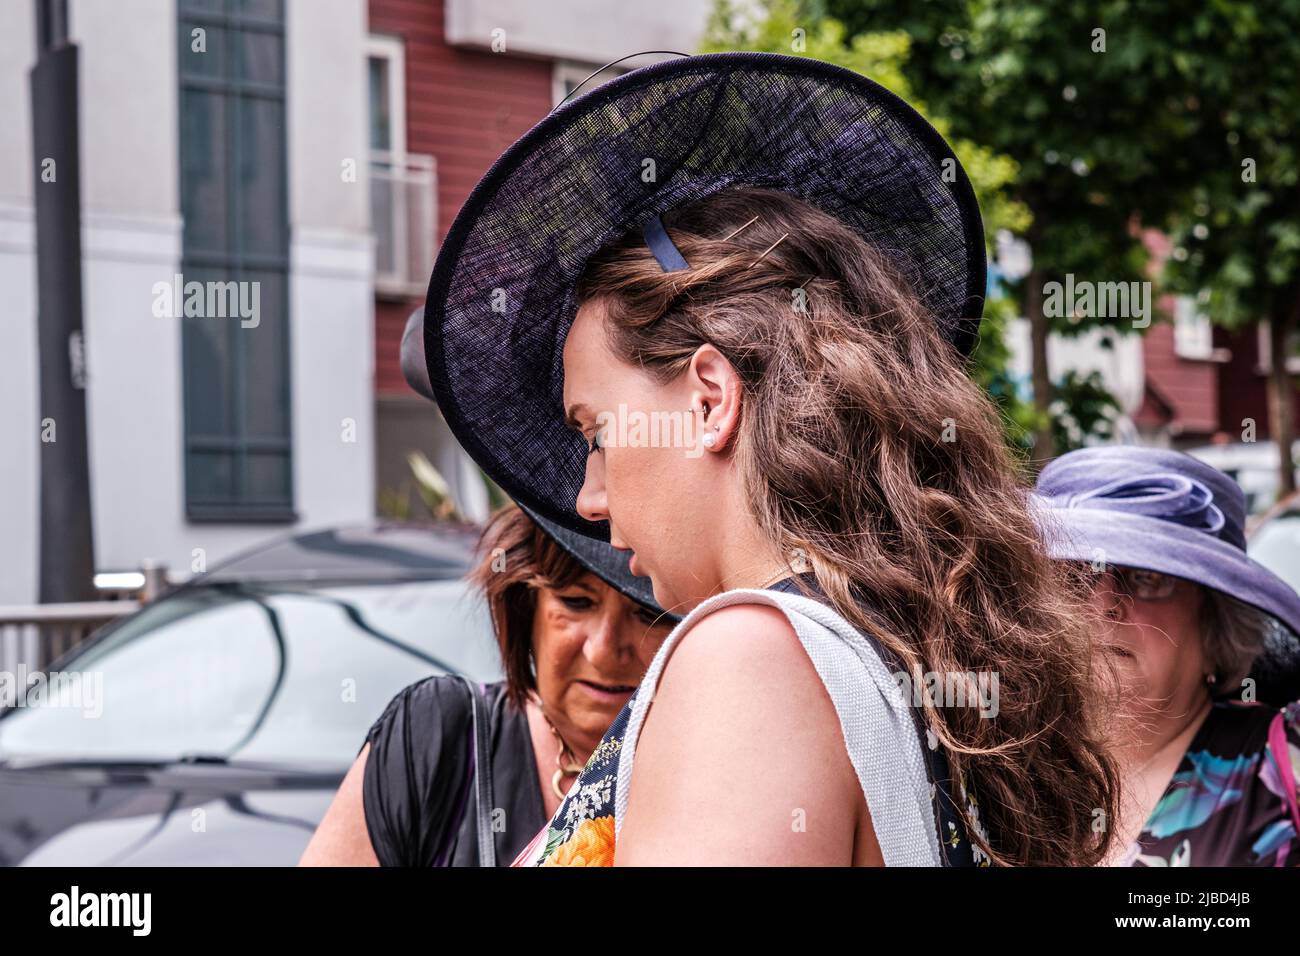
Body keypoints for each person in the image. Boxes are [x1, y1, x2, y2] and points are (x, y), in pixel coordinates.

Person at [420, 52, 1121, 866]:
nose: (589, 496)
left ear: (710, 399)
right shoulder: (893, 651)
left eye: (595, 435)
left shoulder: (751, 661)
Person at [300, 383, 678, 866]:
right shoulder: (438, 738)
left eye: (648, 614)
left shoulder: (724, 778)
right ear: (526, 607)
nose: (604, 650)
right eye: (575, 602)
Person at [1034, 446, 1300, 867]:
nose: (1104, 603)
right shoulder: (1004, 761)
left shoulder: (1285, 759)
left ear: (1216, 625)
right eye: (1075, 574)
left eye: (1146, 577)